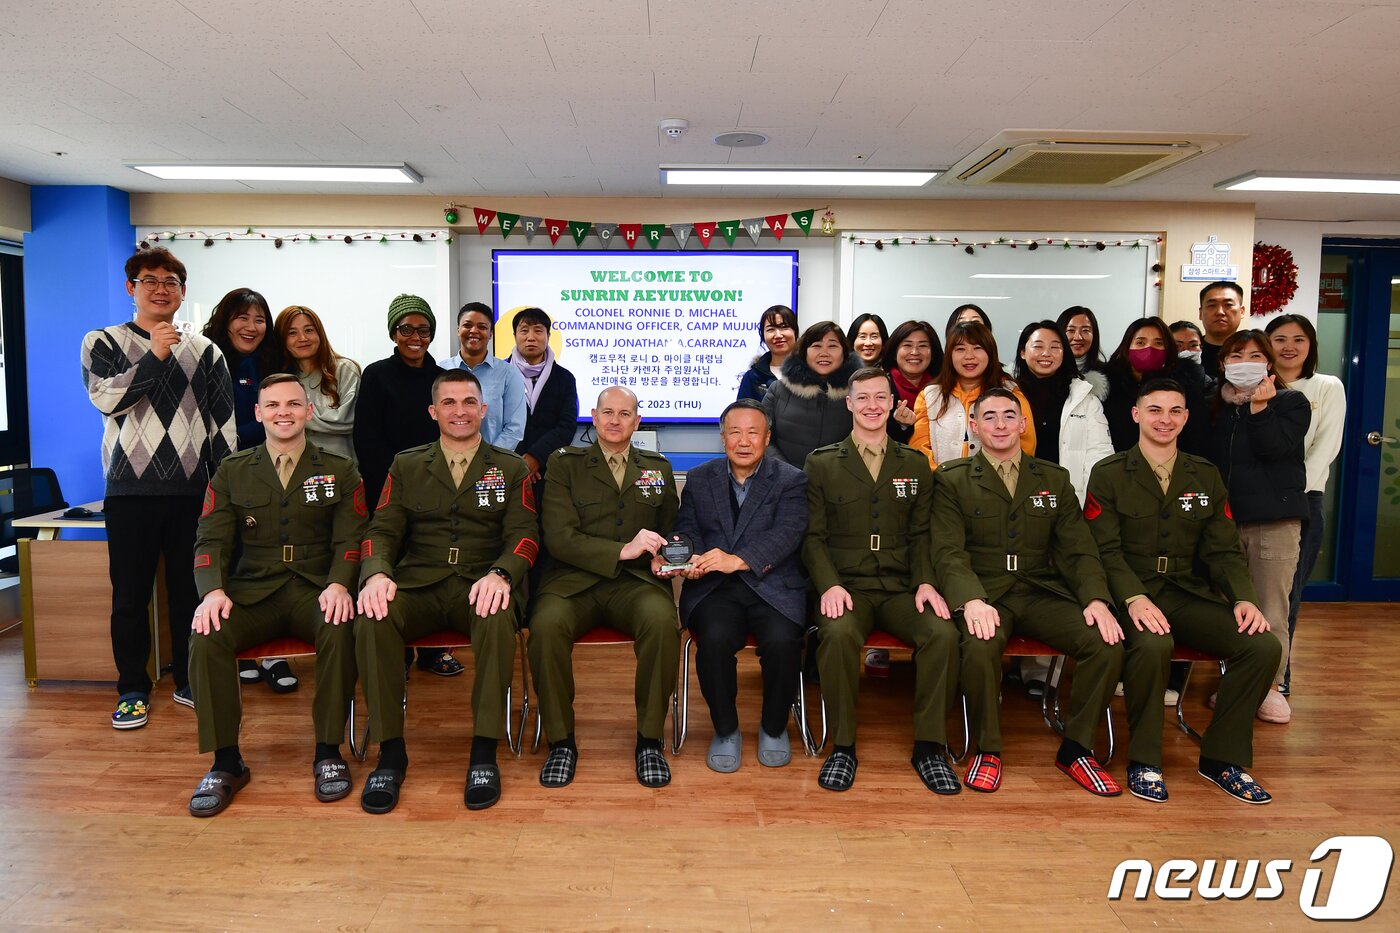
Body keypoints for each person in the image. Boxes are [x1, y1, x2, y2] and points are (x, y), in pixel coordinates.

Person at [1085, 379, 1281, 804]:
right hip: (1131, 593)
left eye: (1175, 411)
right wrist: (1133, 598)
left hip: (1186, 590)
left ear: (1186, 418)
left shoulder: (1204, 474)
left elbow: (1224, 550)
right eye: (1155, 410)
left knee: (1262, 647)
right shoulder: (1110, 473)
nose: (1165, 419)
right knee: (1153, 645)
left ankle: (1221, 758)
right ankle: (1145, 760)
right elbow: (1105, 551)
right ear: (1136, 415)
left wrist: (1244, 597)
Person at [353, 369, 539, 814]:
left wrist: (502, 574)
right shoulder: (408, 464)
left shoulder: (510, 468)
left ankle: (483, 752)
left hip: (482, 583)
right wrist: (376, 573)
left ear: (484, 410)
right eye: (450, 403)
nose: (461, 411)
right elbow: (382, 528)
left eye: (469, 402)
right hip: (419, 583)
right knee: (372, 618)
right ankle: (390, 752)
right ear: (434, 412)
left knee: (497, 617)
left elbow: (525, 534)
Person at [186, 374, 367, 816]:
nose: (283, 412)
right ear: (258, 413)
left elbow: (352, 537)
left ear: (308, 411)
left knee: (342, 630)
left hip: (316, 589)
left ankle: (328, 751)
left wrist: (341, 583)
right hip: (253, 592)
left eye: (292, 404)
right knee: (207, 637)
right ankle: (225, 761)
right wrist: (211, 594)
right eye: (272, 405)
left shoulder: (340, 470)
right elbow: (210, 541)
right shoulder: (231, 471)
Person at [931, 388, 1125, 796]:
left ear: (1023, 424)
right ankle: (989, 748)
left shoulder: (1053, 479)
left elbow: (1078, 549)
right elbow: (948, 551)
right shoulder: (952, 479)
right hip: (986, 593)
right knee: (980, 647)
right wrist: (969, 600)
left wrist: (1096, 600)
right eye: (989, 417)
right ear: (974, 425)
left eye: (1008, 416)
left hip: (1039, 590)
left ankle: (1076, 749)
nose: (999, 425)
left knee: (1104, 642)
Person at [81, 247, 236, 728]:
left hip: (192, 492)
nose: (161, 288)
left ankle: (189, 679)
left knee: (188, 593)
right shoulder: (102, 341)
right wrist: (156, 354)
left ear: (183, 291)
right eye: (150, 280)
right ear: (132, 289)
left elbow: (222, 424)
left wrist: (223, 490)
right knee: (128, 595)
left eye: (171, 281)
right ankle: (132, 688)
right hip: (129, 491)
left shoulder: (207, 350)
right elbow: (108, 400)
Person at [803, 368, 958, 793]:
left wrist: (927, 581)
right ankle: (843, 746)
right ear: (849, 404)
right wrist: (828, 584)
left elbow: (922, 532)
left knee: (942, 634)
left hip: (901, 587)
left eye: (880, 398)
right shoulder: (821, 462)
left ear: (892, 404)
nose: (872, 405)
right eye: (863, 398)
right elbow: (812, 537)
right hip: (846, 587)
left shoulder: (914, 464)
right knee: (835, 636)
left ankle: (929, 747)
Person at [528, 386, 681, 789]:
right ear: (593, 418)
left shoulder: (657, 467)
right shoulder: (564, 464)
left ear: (637, 421)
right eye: (607, 412)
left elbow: (668, 529)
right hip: (572, 581)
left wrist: (666, 555)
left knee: (663, 623)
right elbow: (558, 536)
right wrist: (624, 549)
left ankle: (649, 740)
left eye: (624, 413)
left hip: (636, 584)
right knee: (545, 628)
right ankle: (561, 742)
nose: (615, 420)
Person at [665, 400, 808, 772]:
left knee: (781, 641)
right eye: (734, 432)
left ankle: (774, 727)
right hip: (716, 588)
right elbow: (688, 528)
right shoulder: (700, 477)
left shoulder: (791, 479)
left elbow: (789, 534)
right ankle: (726, 729)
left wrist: (737, 559)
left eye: (753, 432)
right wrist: (690, 559)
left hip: (772, 584)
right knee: (712, 641)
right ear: (722, 436)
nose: (743, 441)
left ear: (767, 437)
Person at [354, 294, 461, 677]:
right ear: (393, 332)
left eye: (423, 329)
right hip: (388, 487)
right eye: (406, 329)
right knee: (393, 563)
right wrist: (395, 483)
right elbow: (366, 437)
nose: (415, 336)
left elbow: (452, 432)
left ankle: (433, 652)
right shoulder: (377, 374)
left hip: (439, 486)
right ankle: (395, 651)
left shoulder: (442, 378)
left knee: (431, 564)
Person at [1207, 330, 1310, 724]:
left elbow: (1275, 450)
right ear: (1223, 363)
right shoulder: (1213, 407)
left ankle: (1269, 686)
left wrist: (1262, 408)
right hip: (1223, 524)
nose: (1245, 362)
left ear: (1268, 362)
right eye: (1236, 355)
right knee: (1225, 608)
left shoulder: (1290, 402)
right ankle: (1233, 681)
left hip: (1274, 521)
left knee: (1270, 608)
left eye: (1255, 355)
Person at [1012, 320, 1114, 696]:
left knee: (1051, 582)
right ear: (1022, 352)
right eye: (1037, 346)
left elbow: (1100, 455)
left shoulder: (1083, 395)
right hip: (1014, 500)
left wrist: (1082, 501)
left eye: (1055, 346)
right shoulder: (1008, 392)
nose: (1046, 353)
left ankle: (1041, 672)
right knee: (1015, 576)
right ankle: (1006, 658)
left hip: (1063, 500)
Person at [1265, 314, 1346, 696]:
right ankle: (1243, 672)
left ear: (1311, 345)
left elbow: (1324, 449)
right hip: (1253, 502)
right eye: (1279, 338)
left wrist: (1289, 493)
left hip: (1302, 501)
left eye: (1299, 339)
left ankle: (1279, 679)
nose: (1289, 347)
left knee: (1287, 595)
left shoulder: (1326, 387)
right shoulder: (1256, 387)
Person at [909, 321, 1036, 469]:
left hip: (998, 486)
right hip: (942, 487)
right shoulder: (930, 396)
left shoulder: (1010, 393)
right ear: (949, 355)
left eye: (977, 348)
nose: (969, 356)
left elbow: (1026, 445)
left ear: (990, 352)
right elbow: (919, 448)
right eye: (960, 349)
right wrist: (943, 480)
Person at [1102, 317, 1212, 455]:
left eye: (1159, 343)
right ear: (1127, 347)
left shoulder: (1186, 384)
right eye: (1140, 342)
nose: (1149, 349)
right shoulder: (1108, 385)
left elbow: (1196, 436)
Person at [761, 321, 858, 466]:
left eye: (832, 346)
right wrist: (788, 475)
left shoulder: (858, 393)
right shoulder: (778, 390)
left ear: (844, 353)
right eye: (816, 346)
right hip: (784, 481)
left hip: (839, 483)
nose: (824, 353)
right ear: (804, 352)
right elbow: (763, 437)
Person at [505, 307, 579, 488]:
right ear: (515, 335)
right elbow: (493, 421)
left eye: (538, 330)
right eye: (524, 330)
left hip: (550, 469)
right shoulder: (500, 373)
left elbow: (566, 425)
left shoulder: (564, 378)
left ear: (548, 336)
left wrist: (535, 457)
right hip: (507, 466)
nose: (531, 337)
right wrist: (520, 461)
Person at [276, 305, 361, 460]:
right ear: (282, 339)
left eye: (309, 330)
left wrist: (295, 416)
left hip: (342, 467)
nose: (303, 338)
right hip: (297, 468)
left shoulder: (345, 369)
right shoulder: (282, 380)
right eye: (292, 333)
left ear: (320, 333)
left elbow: (348, 420)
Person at [439, 301, 527, 451]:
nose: (474, 331)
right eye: (467, 325)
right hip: (446, 462)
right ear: (458, 330)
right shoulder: (440, 370)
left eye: (482, 327)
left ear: (491, 334)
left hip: (493, 462)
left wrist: (487, 458)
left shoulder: (509, 374)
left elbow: (514, 428)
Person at [203, 288, 283, 451]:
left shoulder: (277, 364)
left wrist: (237, 437)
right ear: (225, 321)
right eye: (243, 318)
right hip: (213, 460)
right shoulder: (204, 359)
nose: (251, 327)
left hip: (266, 458)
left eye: (259, 320)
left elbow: (281, 413)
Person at [882, 320, 941, 445]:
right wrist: (900, 425)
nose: (915, 352)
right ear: (894, 352)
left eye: (923, 346)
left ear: (933, 353)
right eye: (907, 345)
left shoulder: (945, 387)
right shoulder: (880, 386)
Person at [736, 305, 798, 402]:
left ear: (795, 332)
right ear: (763, 336)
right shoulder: (753, 377)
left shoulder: (812, 372)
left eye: (784, 327)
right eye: (770, 329)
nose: (778, 335)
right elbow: (743, 414)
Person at [1057, 306, 1109, 397]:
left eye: (1085, 330)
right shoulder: (1050, 373)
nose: (1078, 337)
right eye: (1071, 330)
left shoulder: (1108, 374)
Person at [1198, 281, 1246, 376]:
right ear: (1200, 312)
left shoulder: (1254, 352)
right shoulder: (1190, 352)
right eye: (1212, 305)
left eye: (1228, 305)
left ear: (1242, 311)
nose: (1220, 312)